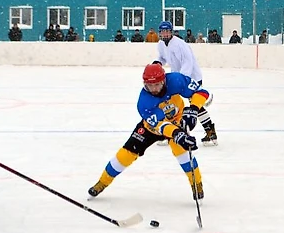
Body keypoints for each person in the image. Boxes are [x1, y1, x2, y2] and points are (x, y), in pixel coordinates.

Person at [87, 64, 207, 201]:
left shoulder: (176, 80)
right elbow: (159, 125)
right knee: (125, 154)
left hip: (177, 120)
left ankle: (196, 184)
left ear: (164, 81)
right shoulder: (144, 102)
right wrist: (176, 134)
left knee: (183, 154)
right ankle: (102, 182)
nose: (154, 89)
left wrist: (193, 109)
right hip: (152, 127)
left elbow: (203, 92)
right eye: (150, 85)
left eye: (157, 84)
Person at [154, 20, 218, 145]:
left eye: (167, 31)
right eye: (162, 32)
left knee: (195, 107)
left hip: (191, 78)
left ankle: (210, 133)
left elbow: (188, 62)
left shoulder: (180, 44)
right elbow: (162, 57)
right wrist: (157, 63)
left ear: (171, 32)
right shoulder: (161, 44)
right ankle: (173, 132)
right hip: (176, 78)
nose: (165, 34)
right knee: (171, 103)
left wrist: (182, 80)